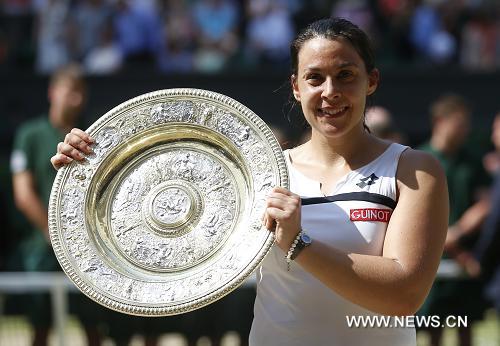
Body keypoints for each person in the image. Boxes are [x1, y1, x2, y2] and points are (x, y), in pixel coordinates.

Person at [51, 18, 449, 345]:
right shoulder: (257, 173)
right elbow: (168, 230)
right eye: (315, 78)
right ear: (296, 87)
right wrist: (88, 172)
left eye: (346, 75)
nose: (330, 92)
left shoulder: (414, 170)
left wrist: (299, 244)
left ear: (372, 81)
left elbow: (403, 295)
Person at [11, 64, 102, 346]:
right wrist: (52, 234)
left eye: (80, 94)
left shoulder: (90, 136)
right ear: (53, 92)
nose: (75, 99)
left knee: (94, 327)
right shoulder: (30, 134)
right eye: (70, 91)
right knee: (40, 327)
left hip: (85, 249)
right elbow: (23, 194)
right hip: (43, 247)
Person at [417, 94, 490, 346]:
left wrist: (457, 233)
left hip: (465, 263)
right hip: (431, 263)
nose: (465, 130)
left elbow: (485, 203)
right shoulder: (419, 160)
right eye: (460, 123)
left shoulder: (472, 161)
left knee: (465, 327)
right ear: (440, 121)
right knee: (431, 331)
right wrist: (443, 239)